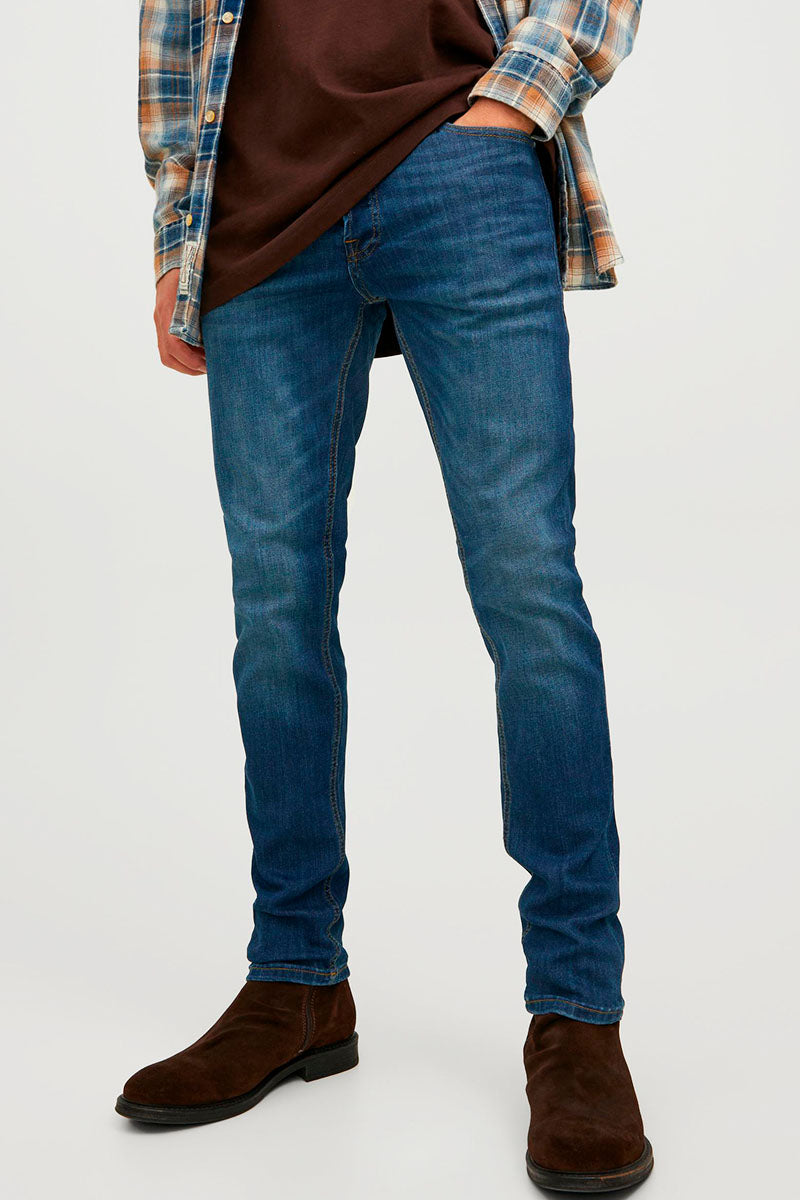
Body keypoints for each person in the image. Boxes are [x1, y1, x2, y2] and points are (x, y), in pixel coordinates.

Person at [119, 1, 652, 1191]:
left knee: (526, 584)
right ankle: (295, 983)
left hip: (459, 173)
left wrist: (510, 103)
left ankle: (577, 1012)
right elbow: (171, 26)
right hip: (256, 206)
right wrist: (175, 233)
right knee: (275, 611)